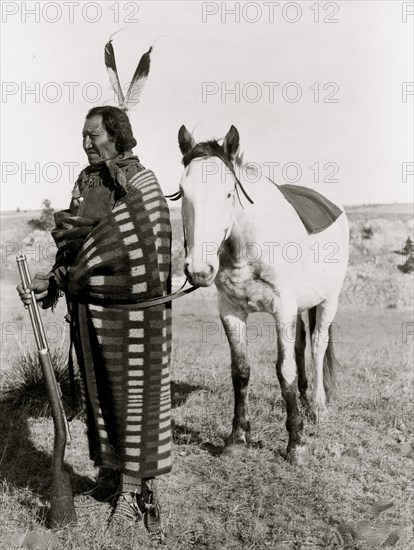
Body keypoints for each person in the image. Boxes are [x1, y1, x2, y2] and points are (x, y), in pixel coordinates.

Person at [17, 106, 172, 541]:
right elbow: (73, 244)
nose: (86, 143)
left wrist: (80, 265)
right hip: (87, 310)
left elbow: (139, 237)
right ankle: (108, 478)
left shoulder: (141, 180)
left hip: (133, 315)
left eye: (94, 135)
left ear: (118, 135)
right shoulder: (86, 183)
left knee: (132, 401)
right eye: (82, 136)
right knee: (98, 396)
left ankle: (133, 492)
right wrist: (51, 284)